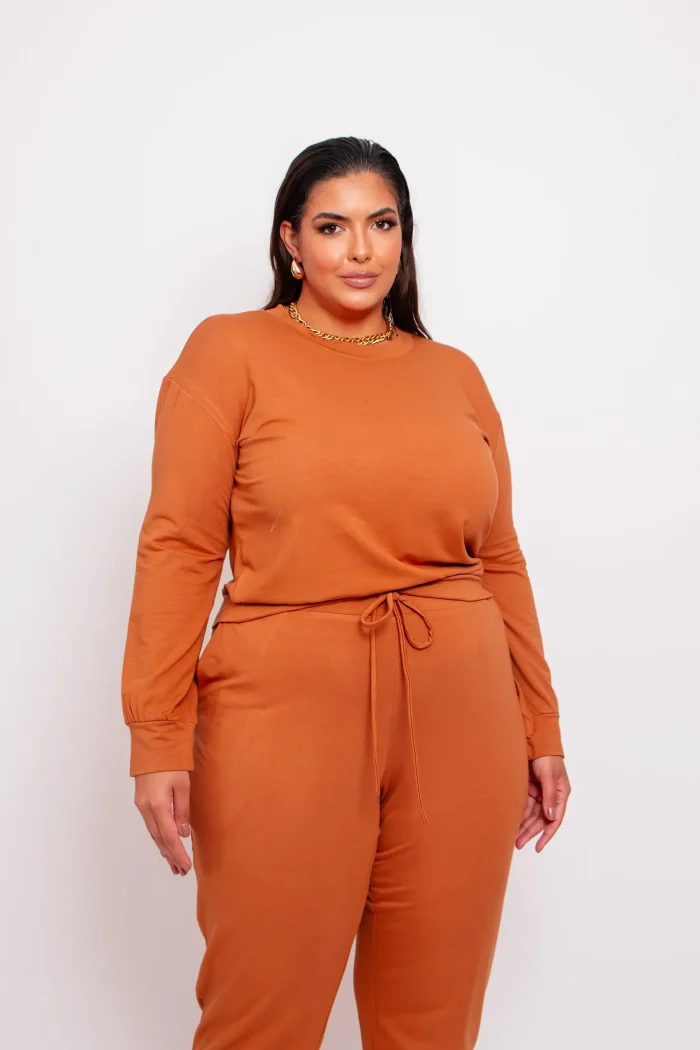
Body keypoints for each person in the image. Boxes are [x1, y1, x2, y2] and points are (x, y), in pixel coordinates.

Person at [121, 135, 572, 1050]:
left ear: (405, 236)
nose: (360, 249)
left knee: (433, 1024)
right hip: (283, 712)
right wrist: (157, 735)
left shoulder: (452, 374)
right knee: (261, 1017)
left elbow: (500, 558)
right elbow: (180, 546)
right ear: (291, 241)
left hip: (462, 713)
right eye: (332, 227)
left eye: (382, 224)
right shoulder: (231, 352)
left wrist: (542, 727)